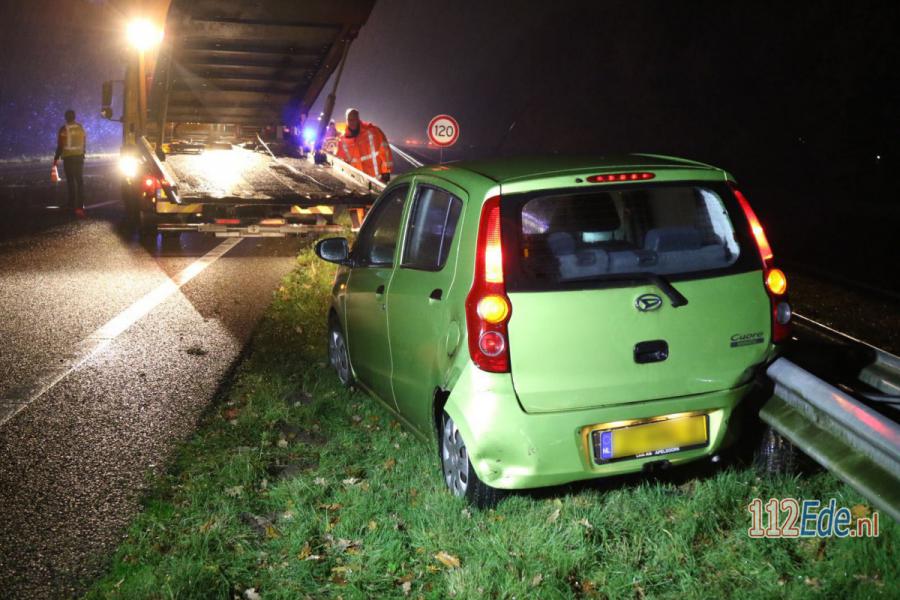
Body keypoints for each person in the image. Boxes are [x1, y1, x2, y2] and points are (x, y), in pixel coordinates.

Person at [336, 108, 393, 182]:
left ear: (358, 119)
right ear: (346, 121)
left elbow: (385, 151)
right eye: (349, 120)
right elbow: (341, 160)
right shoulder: (343, 140)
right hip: (358, 182)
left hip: (378, 180)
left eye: (354, 119)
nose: (352, 122)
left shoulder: (374, 131)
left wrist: (386, 171)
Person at [53, 110, 87, 217]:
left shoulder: (64, 129)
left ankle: (71, 203)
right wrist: (83, 153)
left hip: (69, 158)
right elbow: (84, 141)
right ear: (74, 117)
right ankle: (80, 205)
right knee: (79, 181)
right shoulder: (80, 128)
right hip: (79, 157)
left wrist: (56, 158)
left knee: (71, 181)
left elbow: (60, 145)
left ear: (66, 117)